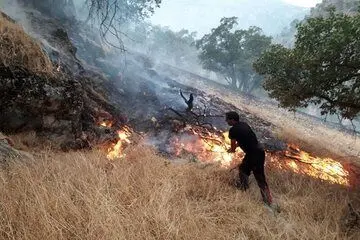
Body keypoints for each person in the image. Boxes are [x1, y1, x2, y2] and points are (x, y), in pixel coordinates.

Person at [225, 111, 273, 206]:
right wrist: (237, 146)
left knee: (259, 178)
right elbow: (245, 138)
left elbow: (233, 148)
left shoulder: (233, 130)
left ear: (232, 120)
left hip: (254, 155)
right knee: (243, 169)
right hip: (258, 151)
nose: (226, 121)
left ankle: (268, 202)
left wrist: (231, 149)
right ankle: (244, 188)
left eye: (227, 119)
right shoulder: (244, 124)